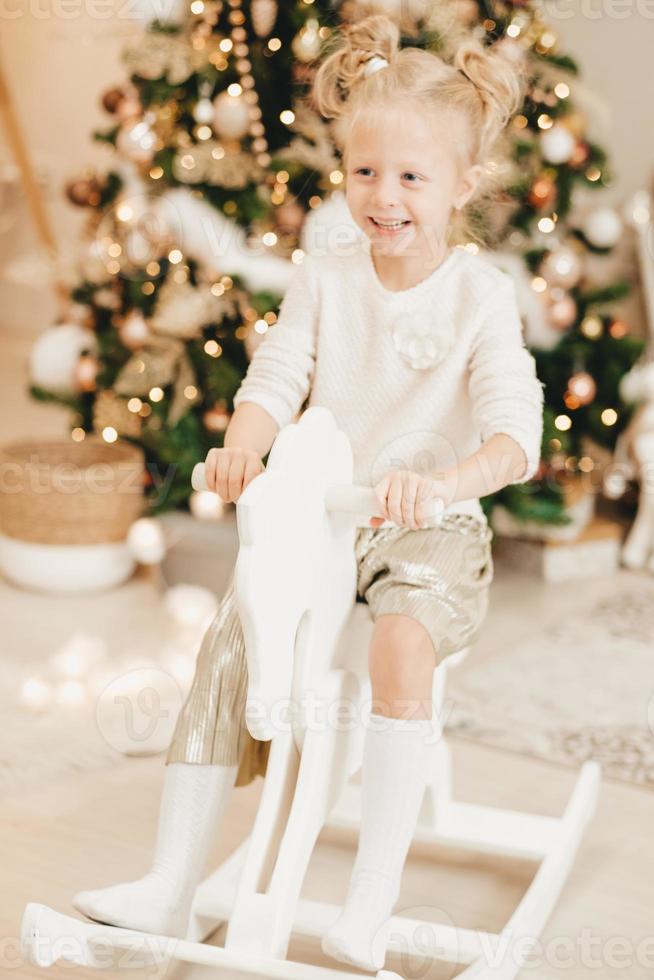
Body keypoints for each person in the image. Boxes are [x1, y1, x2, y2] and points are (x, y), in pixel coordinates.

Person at [73, 13, 544, 972]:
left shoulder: (477, 296)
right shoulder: (326, 278)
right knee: (235, 631)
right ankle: (169, 882)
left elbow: (514, 436)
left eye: (413, 177)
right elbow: (276, 379)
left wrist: (440, 482)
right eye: (366, 171)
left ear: (463, 185)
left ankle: (369, 904)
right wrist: (244, 450)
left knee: (401, 649)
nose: (386, 196)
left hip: (430, 524)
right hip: (329, 514)